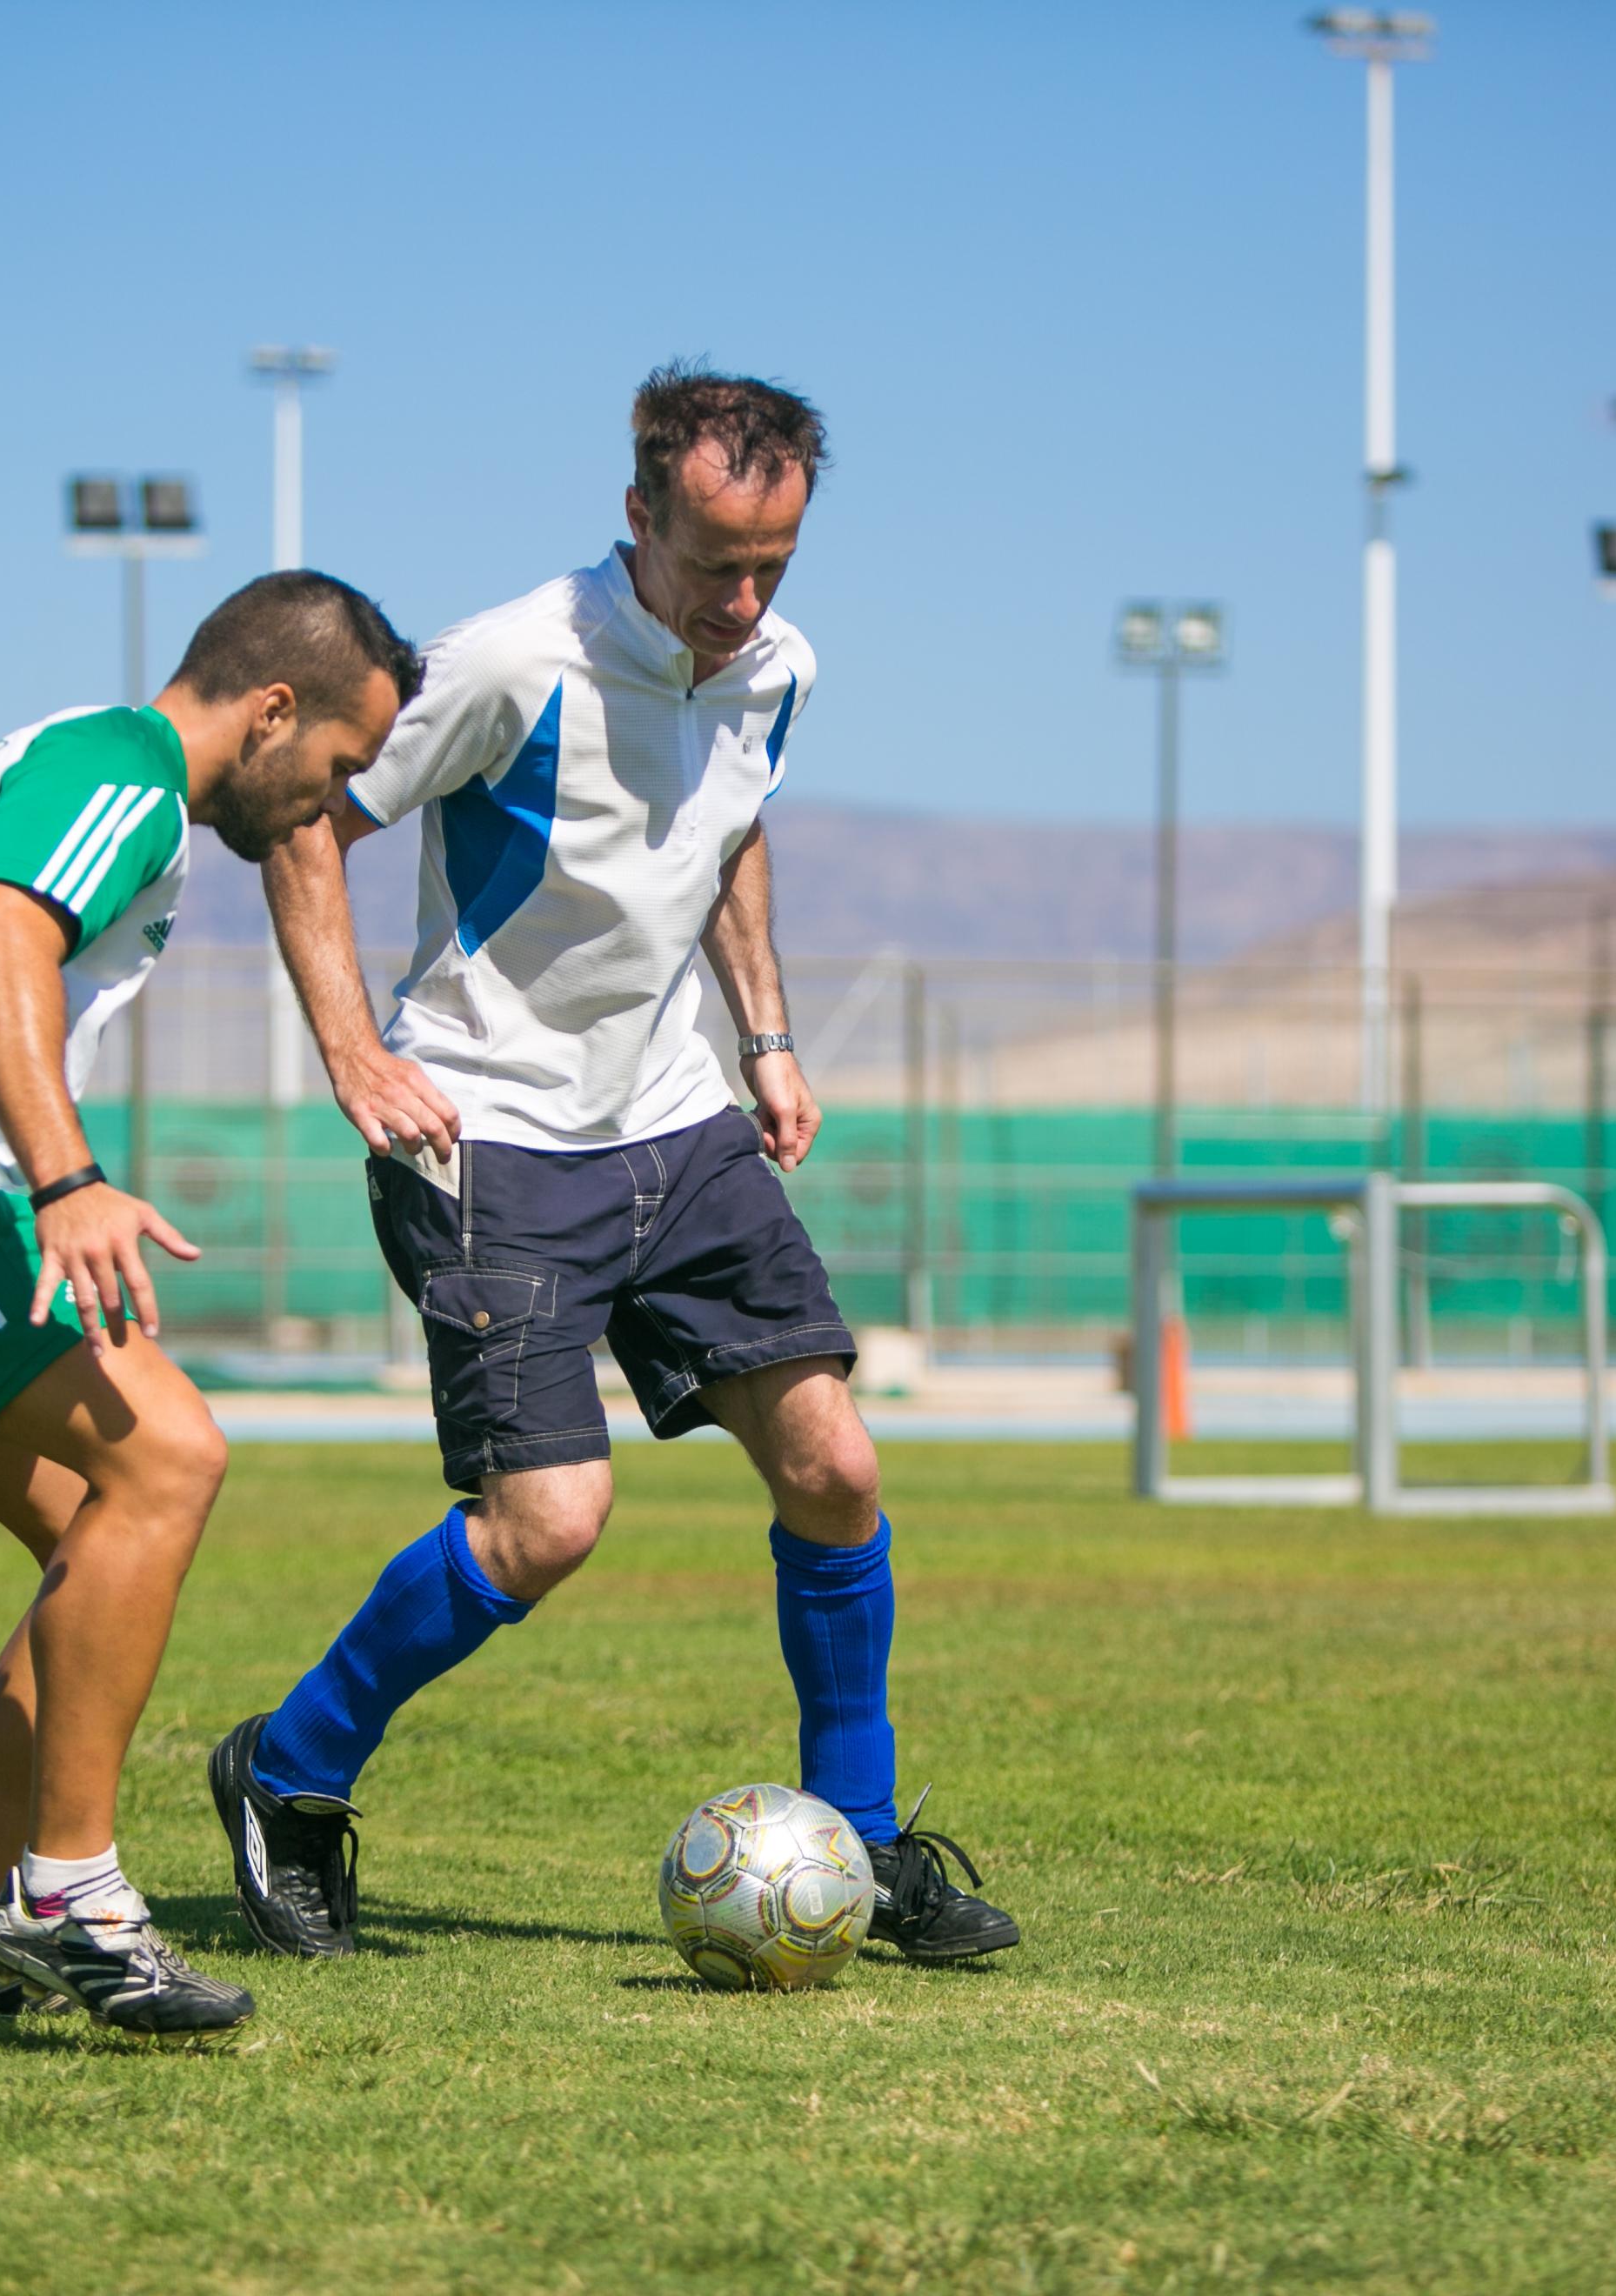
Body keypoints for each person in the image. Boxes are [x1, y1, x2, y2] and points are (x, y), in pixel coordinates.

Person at [205, 365, 1019, 1966]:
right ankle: (285, 1775)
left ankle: (856, 1843)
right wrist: (355, 1051)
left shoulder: (774, 666)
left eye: (774, 563)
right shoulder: (515, 661)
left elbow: (726, 826)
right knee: (550, 1522)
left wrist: (766, 1034)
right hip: (488, 1136)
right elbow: (304, 817)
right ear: (638, 514)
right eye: (716, 560)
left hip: (676, 1117)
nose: (744, 598)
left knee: (837, 1469)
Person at [0, 572, 420, 2032]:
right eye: (341, 770)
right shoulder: (125, 773)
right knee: (170, 1455)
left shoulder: (125, 792)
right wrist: (67, 1181)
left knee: (89, 1554)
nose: (326, 809)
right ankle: (75, 1895)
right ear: (273, 709)